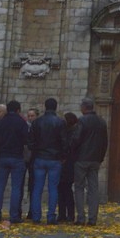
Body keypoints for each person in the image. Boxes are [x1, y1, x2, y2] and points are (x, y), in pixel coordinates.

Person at [0, 101, 31, 224]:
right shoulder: (21, 122)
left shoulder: (0, 122)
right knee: (16, 188)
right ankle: (14, 215)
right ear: (18, 110)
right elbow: (27, 140)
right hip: (17, 157)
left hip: (3, 156)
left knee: (0, 187)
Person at [72, 97, 109, 226]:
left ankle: (81, 217)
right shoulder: (101, 122)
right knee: (93, 188)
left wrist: (72, 153)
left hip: (82, 159)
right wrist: (100, 157)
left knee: (79, 187)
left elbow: (76, 140)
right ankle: (93, 217)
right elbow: (105, 142)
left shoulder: (82, 121)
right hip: (95, 159)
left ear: (84, 108)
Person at [29, 97, 67, 224]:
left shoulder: (37, 122)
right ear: (55, 107)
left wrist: (35, 151)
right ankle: (51, 216)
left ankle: (36, 216)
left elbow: (31, 142)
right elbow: (64, 142)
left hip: (39, 158)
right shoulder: (60, 122)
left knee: (37, 188)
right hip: (55, 159)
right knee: (53, 188)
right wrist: (63, 156)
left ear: (45, 107)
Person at [58, 112, 79, 223]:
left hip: (67, 162)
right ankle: (64, 214)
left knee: (65, 189)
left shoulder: (70, 132)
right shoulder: (70, 131)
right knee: (63, 189)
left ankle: (67, 214)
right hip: (68, 162)